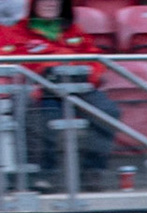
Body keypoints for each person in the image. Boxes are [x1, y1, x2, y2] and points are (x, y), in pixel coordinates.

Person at [2, 0, 119, 190]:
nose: (50, 3)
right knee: (46, 117)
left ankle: (93, 171)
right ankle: (45, 175)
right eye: (44, 1)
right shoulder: (14, 32)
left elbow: (94, 58)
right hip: (42, 90)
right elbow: (9, 63)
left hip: (79, 86)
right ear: (33, 5)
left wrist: (90, 74)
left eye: (56, 1)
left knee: (107, 111)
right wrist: (44, 69)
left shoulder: (74, 31)